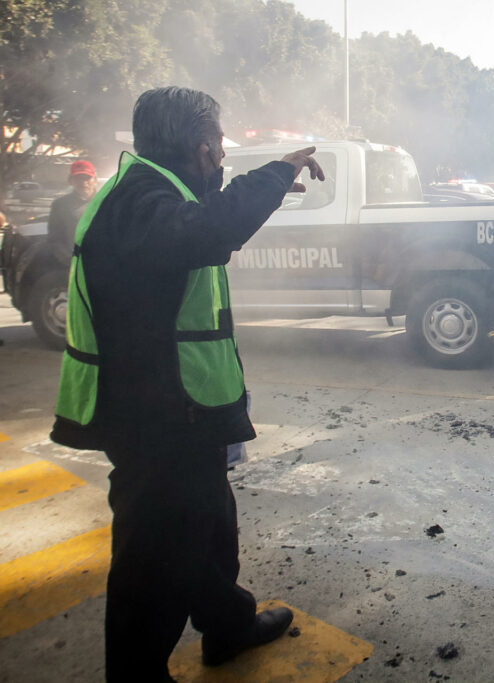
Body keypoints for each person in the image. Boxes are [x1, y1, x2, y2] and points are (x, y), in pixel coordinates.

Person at [49, 86, 325, 682]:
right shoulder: (138, 202)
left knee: (207, 525)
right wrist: (275, 174)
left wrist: (258, 191)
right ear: (202, 147)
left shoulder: (149, 192)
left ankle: (227, 627)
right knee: (154, 555)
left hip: (178, 410)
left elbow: (195, 224)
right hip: (155, 415)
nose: (223, 153)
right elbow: (201, 232)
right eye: (219, 142)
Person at [47, 160, 99, 263]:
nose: (83, 182)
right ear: (70, 181)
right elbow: (54, 239)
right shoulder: (60, 205)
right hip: (75, 265)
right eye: (78, 178)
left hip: (104, 265)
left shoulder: (107, 202)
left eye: (87, 178)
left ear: (95, 180)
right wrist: (69, 259)